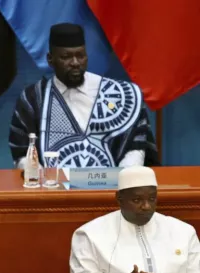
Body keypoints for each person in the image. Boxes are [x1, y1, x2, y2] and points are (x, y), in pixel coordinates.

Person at [9, 23, 158, 169]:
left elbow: (135, 146)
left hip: (112, 188)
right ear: (50, 59)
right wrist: (43, 184)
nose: (75, 63)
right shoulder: (33, 99)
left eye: (80, 55)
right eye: (66, 57)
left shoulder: (120, 95)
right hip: (53, 189)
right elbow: (23, 153)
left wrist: (124, 180)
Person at [69, 166, 200, 273]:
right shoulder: (90, 235)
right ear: (119, 199)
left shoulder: (183, 232)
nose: (146, 206)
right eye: (137, 200)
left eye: (152, 198)